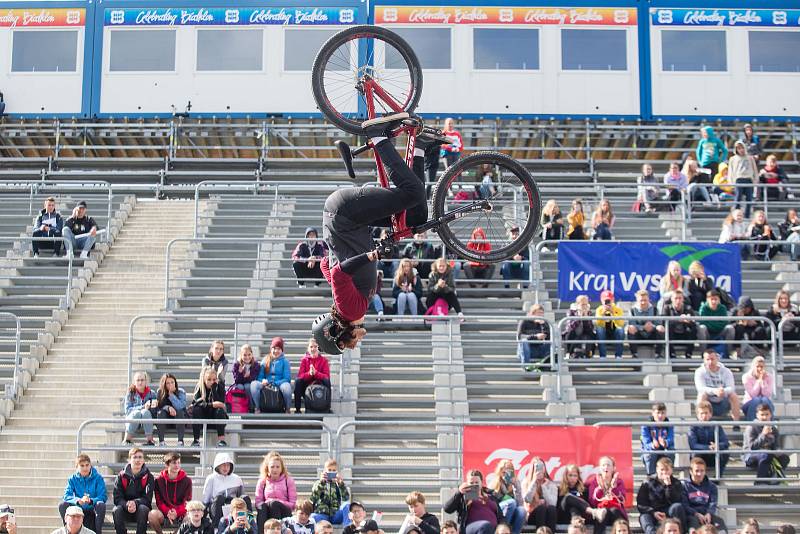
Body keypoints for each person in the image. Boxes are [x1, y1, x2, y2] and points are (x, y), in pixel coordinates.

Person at [313, 114, 438, 356]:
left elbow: (338, 274)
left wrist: (370, 255)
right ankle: (420, 147)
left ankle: (377, 135)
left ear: (340, 331)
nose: (355, 343)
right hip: (351, 221)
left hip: (345, 213)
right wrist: (346, 246)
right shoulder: (351, 306)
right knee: (415, 218)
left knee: (410, 193)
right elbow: (326, 267)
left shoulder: (349, 309)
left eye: (349, 343)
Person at [443, 469, 504, 534]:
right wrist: (459, 493)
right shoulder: (464, 497)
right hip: (471, 528)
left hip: (492, 529)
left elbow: (501, 516)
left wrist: (504, 527)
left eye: (477, 482)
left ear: (481, 482)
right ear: (467, 484)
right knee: (486, 526)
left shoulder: (491, 496)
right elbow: (447, 509)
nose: (474, 485)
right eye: (471, 483)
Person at [636, 457, 687, 534]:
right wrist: (653, 512)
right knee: (644, 517)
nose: (664, 472)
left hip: (669, 512)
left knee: (677, 507)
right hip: (653, 512)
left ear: (671, 470)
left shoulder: (676, 483)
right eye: (662, 469)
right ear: (657, 469)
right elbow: (641, 504)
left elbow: (677, 500)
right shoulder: (647, 482)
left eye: (667, 470)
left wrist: (669, 486)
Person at [59, 454, 107, 534]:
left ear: (90, 465)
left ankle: (98, 532)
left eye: (87, 465)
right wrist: (78, 501)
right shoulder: (72, 479)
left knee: (101, 505)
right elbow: (66, 496)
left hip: (92, 509)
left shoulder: (98, 478)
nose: (85, 468)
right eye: (82, 466)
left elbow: (103, 496)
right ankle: (68, 530)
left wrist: (91, 500)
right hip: (77, 508)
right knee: (62, 505)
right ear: (77, 467)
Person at [743, 403, 790, 484]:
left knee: (785, 458)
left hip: (768, 455)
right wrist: (763, 435)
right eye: (762, 415)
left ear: (770, 415)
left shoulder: (773, 429)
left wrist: (778, 451)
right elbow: (752, 447)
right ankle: (759, 482)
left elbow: (776, 446)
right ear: (757, 415)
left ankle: (774, 478)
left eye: (767, 414)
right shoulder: (751, 427)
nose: (764, 417)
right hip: (750, 456)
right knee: (766, 455)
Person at [112, 448, 154, 534]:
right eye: (135, 457)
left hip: (140, 510)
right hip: (125, 509)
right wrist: (126, 504)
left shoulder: (149, 477)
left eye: (140, 457)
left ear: (143, 460)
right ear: (129, 459)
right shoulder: (121, 476)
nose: (137, 460)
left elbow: (147, 499)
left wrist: (135, 503)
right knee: (116, 510)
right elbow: (117, 498)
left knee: (143, 509)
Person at [202, 452, 249, 528]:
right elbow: (206, 500)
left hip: (233, 506)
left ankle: (248, 525)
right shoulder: (211, 478)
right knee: (219, 498)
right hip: (217, 507)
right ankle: (216, 528)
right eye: (223, 465)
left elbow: (241, 497)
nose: (225, 467)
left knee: (245, 498)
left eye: (228, 465)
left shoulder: (237, 478)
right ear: (218, 466)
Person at [682, 458, 727, 534]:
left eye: (702, 471)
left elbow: (713, 503)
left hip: (707, 514)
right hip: (692, 515)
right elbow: (685, 505)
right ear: (691, 471)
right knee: (694, 523)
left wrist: (709, 513)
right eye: (697, 471)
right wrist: (696, 514)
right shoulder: (684, 486)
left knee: (720, 522)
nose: (699, 474)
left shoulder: (712, 486)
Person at [150, 452, 192, 534]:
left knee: (191, 517)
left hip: (180, 513)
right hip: (165, 513)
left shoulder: (187, 481)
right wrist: (168, 511)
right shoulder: (159, 481)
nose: (177, 465)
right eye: (174, 463)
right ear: (167, 465)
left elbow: (187, 502)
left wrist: (176, 512)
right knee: (152, 515)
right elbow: (159, 502)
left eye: (178, 463)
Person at [694, 350, 741, 421]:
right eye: (707, 359)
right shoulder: (699, 372)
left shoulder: (726, 371)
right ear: (704, 360)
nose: (710, 362)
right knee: (702, 395)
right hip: (708, 402)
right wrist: (715, 391)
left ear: (717, 359)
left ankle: (736, 423)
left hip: (723, 401)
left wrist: (723, 391)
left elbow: (731, 387)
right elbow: (700, 388)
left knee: (733, 395)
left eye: (712, 359)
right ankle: (700, 421)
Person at [255, 451, 297, 532]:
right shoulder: (262, 481)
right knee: (262, 507)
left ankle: (277, 531)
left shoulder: (288, 480)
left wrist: (277, 501)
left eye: (277, 467)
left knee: (274, 504)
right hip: (267, 510)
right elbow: (258, 502)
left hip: (284, 511)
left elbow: (292, 504)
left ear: (282, 468)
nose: (275, 469)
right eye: (272, 467)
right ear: (267, 468)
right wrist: (268, 503)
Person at [688, 401, 730, 478]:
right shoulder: (693, 427)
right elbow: (693, 445)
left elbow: (725, 442)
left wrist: (717, 445)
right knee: (695, 454)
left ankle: (718, 477)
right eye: (701, 413)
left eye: (706, 413)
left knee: (725, 453)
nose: (704, 416)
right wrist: (708, 447)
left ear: (710, 414)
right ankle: (696, 478)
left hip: (712, 455)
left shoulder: (716, 426)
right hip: (701, 454)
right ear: (697, 415)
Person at [586, 456, 627, 534]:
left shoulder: (619, 482)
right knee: (603, 512)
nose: (606, 467)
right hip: (601, 514)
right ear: (600, 468)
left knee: (614, 510)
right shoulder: (594, 482)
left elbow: (622, 500)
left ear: (613, 468)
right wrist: (600, 489)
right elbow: (592, 502)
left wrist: (614, 488)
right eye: (603, 465)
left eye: (608, 465)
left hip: (615, 514)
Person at [661, 289, 705, 359]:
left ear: (683, 299)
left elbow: (694, 322)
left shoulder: (688, 308)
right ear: (672, 299)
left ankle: (688, 353)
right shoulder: (667, 308)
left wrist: (689, 321)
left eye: (680, 298)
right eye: (676, 298)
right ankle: (671, 354)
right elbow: (663, 322)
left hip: (684, 334)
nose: (678, 301)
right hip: (673, 335)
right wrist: (678, 320)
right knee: (668, 328)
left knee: (693, 329)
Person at [252, 337, 292, 414]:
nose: (276, 351)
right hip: (266, 383)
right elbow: (260, 377)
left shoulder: (285, 361)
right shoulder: (265, 359)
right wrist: (262, 381)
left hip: (280, 383)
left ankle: (287, 408)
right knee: (254, 384)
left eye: (278, 349)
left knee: (287, 387)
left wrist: (275, 383)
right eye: (274, 348)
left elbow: (287, 378)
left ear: (282, 350)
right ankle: (257, 407)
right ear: (271, 349)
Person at [191, 367, 228, 447]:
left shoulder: (220, 387)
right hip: (203, 418)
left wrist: (214, 389)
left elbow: (220, 402)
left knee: (219, 410)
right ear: (204, 379)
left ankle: (221, 440)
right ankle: (196, 440)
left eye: (214, 379)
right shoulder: (199, 387)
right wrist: (212, 405)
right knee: (196, 410)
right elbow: (196, 403)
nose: (212, 382)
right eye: (209, 379)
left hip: (216, 419)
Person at [294, 338, 331, 413]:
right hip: (307, 388)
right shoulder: (304, 360)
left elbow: (327, 376)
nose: (313, 349)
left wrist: (316, 373)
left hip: (320, 386)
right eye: (311, 347)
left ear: (319, 348)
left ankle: (328, 407)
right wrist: (309, 374)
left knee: (327, 381)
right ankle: (298, 409)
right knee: (297, 381)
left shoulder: (324, 360)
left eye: (315, 346)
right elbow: (300, 376)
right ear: (308, 348)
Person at [489, 460, 526, 534]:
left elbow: (520, 504)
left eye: (508, 473)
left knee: (521, 510)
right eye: (503, 473)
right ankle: (503, 530)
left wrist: (515, 486)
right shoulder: (495, 482)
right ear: (499, 472)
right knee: (511, 502)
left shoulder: (516, 483)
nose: (505, 475)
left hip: (513, 512)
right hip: (499, 512)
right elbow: (492, 501)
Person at [522, 456, 557, 533]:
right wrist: (534, 482)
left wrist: (544, 486)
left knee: (552, 509)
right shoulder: (526, 482)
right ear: (532, 469)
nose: (539, 469)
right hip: (533, 515)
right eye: (537, 467)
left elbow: (552, 503)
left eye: (541, 466)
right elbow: (527, 499)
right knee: (541, 508)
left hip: (548, 514)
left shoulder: (550, 484)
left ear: (544, 468)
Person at [309, 458, 349, 525]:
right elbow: (313, 498)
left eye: (334, 470)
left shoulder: (338, 484)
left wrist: (341, 484)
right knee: (313, 516)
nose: (331, 472)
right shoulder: (318, 483)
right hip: (322, 515)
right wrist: (322, 483)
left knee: (347, 505)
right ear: (325, 471)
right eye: (329, 470)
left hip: (335, 515)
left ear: (337, 472)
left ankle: (348, 530)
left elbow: (346, 498)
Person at [123, 371, 157, 446]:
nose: (140, 382)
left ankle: (150, 440)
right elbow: (127, 411)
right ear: (134, 382)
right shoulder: (130, 393)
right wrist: (142, 407)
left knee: (146, 412)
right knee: (137, 413)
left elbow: (155, 412)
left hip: (146, 421)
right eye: (138, 380)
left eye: (142, 380)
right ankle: (127, 440)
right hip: (133, 420)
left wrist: (153, 405)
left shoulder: (152, 393)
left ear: (146, 381)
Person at [698, 290, 734, 358]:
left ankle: (728, 353)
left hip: (719, 333)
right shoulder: (703, 308)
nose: (714, 301)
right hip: (708, 334)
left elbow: (724, 323)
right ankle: (703, 354)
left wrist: (711, 324)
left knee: (730, 328)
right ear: (707, 300)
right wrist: (716, 324)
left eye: (716, 299)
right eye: (712, 299)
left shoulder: (722, 308)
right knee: (702, 328)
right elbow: (702, 322)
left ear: (719, 300)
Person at [628, 290, 664, 358]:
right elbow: (631, 323)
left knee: (660, 328)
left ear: (649, 299)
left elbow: (659, 323)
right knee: (631, 328)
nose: (643, 302)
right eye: (641, 300)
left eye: (645, 300)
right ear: (637, 300)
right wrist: (643, 327)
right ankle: (634, 354)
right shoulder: (632, 310)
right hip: (639, 335)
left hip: (651, 335)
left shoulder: (655, 310)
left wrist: (652, 326)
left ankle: (658, 354)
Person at [641, 403, 675, 475]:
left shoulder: (669, 425)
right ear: (653, 413)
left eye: (663, 413)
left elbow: (671, 439)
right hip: (651, 451)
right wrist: (652, 445)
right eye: (658, 413)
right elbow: (645, 442)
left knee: (671, 451)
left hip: (663, 450)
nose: (660, 416)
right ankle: (651, 477)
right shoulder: (646, 425)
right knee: (651, 453)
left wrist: (665, 443)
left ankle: (669, 475)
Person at [154, 372, 188, 446]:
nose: (170, 385)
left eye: (172, 382)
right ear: (164, 385)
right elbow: (160, 406)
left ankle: (180, 441)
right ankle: (161, 442)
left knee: (179, 411)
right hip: (165, 421)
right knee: (161, 413)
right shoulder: (160, 392)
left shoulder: (181, 392)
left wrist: (171, 395)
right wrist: (168, 408)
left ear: (175, 382)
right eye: (168, 383)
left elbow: (180, 406)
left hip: (179, 420)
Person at [729, 140, 758, 219]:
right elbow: (731, 171)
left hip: (748, 179)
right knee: (738, 198)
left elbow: (754, 169)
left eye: (742, 148)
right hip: (739, 179)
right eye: (738, 148)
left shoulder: (750, 158)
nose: (741, 150)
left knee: (749, 198)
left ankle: (747, 216)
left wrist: (755, 179)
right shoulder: (733, 159)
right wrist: (731, 182)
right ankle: (736, 215)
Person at [517, 304, 551, 370]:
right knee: (524, 341)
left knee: (551, 343)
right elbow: (520, 336)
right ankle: (526, 366)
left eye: (542, 313)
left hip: (540, 348)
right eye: (539, 313)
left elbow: (548, 338)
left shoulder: (544, 322)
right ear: (532, 313)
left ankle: (547, 366)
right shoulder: (524, 321)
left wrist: (543, 325)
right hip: (527, 350)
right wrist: (536, 337)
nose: (541, 315)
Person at [741, 355, 775, 421]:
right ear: (753, 367)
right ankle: (752, 425)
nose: (759, 369)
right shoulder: (746, 377)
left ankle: (770, 425)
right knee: (756, 399)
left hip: (764, 403)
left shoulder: (769, 377)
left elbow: (767, 394)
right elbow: (753, 394)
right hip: (749, 403)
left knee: (765, 399)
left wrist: (763, 381)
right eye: (757, 366)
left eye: (761, 367)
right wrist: (758, 381)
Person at [595, 290, 625, 359]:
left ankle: (618, 355)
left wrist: (613, 313)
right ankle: (603, 356)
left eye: (609, 300)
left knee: (620, 330)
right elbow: (598, 323)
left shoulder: (618, 309)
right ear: (601, 300)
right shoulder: (599, 309)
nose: (608, 302)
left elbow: (620, 324)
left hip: (614, 333)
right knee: (599, 330)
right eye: (606, 300)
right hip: (603, 334)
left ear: (613, 300)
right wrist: (603, 313)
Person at [232, 345, 260, 413]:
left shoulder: (256, 364)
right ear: (241, 355)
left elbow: (255, 378)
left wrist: (249, 376)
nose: (247, 357)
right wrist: (240, 373)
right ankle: (241, 406)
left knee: (247, 386)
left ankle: (251, 407)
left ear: (252, 354)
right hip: (240, 383)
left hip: (250, 384)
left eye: (249, 354)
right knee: (240, 387)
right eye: (244, 355)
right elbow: (236, 381)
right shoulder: (236, 364)